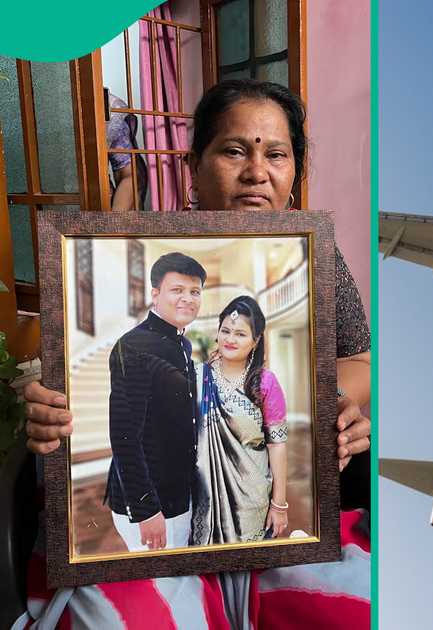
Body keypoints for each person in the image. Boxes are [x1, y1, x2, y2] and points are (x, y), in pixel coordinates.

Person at [20, 79, 372, 628]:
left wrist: (331, 408)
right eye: (234, 150)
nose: (257, 172)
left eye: (276, 154)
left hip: (263, 519)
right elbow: (112, 418)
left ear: (294, 172)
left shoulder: (320, 261)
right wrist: (44, 403)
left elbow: (357, 360)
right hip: (163, 519)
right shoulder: (108, 256)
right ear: (194, 164)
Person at [105, 251, 206, 552]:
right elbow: (123, 436)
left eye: (195, 291)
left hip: (178, 492)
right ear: (155, 294)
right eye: (177, 290)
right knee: (161, 587)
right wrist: (146, 508)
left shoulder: (183, 344)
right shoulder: (133, 346)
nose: (187, 298)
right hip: (150, 505)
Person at [192, 295, 290, 545]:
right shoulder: (198, 377)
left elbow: (277, 446)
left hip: (252, 497)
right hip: (204, 494)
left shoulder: (264, 383)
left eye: (240, 334)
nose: (230, 339)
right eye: (225, 331)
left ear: (256, 341)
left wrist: (279, 504)